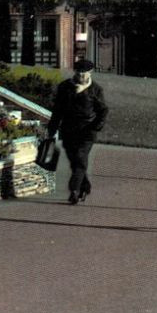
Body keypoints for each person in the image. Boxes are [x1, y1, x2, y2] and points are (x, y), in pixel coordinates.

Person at [46, 58, 109, 205]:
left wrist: (96, 126)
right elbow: (58, 111)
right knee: (75, 162)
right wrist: (52, 129)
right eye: (79, 72)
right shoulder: (65, 87)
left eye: (84, 73)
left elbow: (103, 110)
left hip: (87, 132)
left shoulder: (95, 89)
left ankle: (74, 190)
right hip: (68, 130)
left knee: (80, 159)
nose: (81, 75)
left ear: (90, 73)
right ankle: (85, 186)